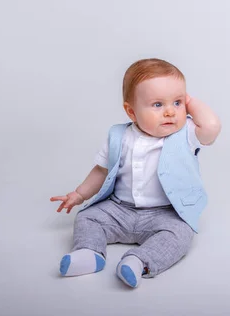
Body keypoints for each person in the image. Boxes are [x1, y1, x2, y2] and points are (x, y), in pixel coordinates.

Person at [50, 58, 221, 288]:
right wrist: (79, 194)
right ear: (131, 111)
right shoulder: (119, 136)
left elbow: (211, 127)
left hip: (165, 213)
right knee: (87, 217)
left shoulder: (186, 135)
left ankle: (139, 261)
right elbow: (101, 170)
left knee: (180, 233)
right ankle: (90, 253)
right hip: (119, 209)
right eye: (158, 104)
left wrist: (188, 102)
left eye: (177, 102)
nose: (170, 112)